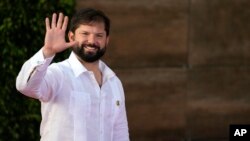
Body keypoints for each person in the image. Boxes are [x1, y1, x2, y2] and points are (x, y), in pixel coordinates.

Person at [16, 8, 130, 141]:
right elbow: (25, 86)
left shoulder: (114, 82)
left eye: (99, 35)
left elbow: (120, 131)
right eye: (85, 33)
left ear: (107, 40)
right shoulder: (58, 73)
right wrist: (47, 52)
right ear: (71, 36)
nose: (92, 41)